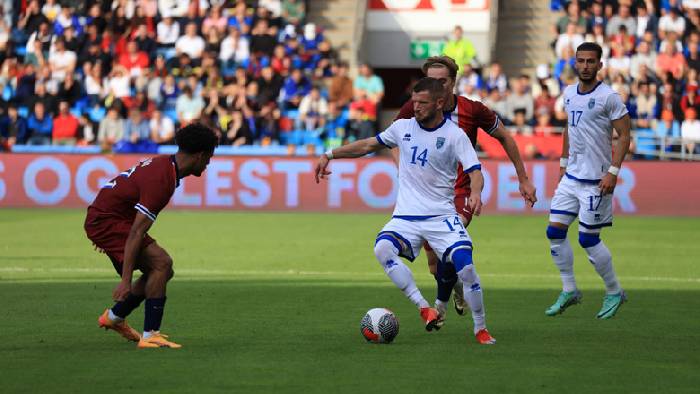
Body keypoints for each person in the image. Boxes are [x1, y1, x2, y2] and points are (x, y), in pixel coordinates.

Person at [315, 77, 496, 345]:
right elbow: (367, 145)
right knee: (382, 249)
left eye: (422, 103)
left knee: (466, 267)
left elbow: (474, 171)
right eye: (414, 102)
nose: (417, 107)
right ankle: (425, 308)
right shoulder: (402, 127)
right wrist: (330, 154)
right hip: (406, 217)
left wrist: (476, 192)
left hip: (441, 216)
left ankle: (480, 329)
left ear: (439, 103)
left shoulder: (454, 135)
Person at [394, 56, 537, 328]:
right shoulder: (415, 108)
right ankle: (456, 287)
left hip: (460, 192)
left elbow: (505, 136)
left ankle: (439, 308)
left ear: (453, 82)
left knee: (448, 248)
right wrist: (401, 165)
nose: (436, 86)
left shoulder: (472, 110)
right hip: (426, 198)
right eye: (431, 81)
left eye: (442, 81)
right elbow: (392, 136)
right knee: (435, 265)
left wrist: (523, 179)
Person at [85, 123, 218, 349]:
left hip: (109, 218)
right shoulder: (162, 180)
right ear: (199, 155)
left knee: (161, 270)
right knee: (161, 263)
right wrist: (125, 280)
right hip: (108, 221)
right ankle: (150, 335)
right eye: (209, 158)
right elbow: (137, 231)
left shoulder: (165, 166)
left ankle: (115, 317)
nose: (208, 164)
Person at [546, 42, 631, 319]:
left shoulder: (609, 97)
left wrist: (613, 172)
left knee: (587, 239)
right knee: (554, 232)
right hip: (571, 176)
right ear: (574, 63)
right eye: (580, 61)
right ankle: (570, 289)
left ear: (599, 65)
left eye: (590, 61)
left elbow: (625, 135)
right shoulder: (569, 93)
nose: (584, 66)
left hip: (596, 180)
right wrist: (562, 163)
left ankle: (614, 291)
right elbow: (568, 129)